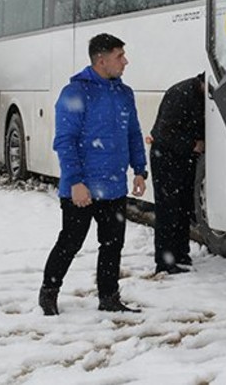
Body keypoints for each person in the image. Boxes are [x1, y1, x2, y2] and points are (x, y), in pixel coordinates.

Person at [38, 33, 148, 315]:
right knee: (70, 242)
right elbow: (65, 141)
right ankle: (49, 293)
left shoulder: (124, 93)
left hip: (113, 186)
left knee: (112, 244)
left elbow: (133, 133)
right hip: (82, 187)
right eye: (119, 56)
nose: (125, 61)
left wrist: (140, 170)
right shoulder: (75, 93)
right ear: (101, 60)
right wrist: (75, 182)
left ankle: (109, 297)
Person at [149, 72, 206, 275]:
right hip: (166, 157)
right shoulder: (182, 95)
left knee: (182, 207)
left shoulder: (197, 94)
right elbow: (163, 133)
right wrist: (192, 144)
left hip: (183, 157)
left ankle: (181, 254)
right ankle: (165, 261)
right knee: (168, 209)